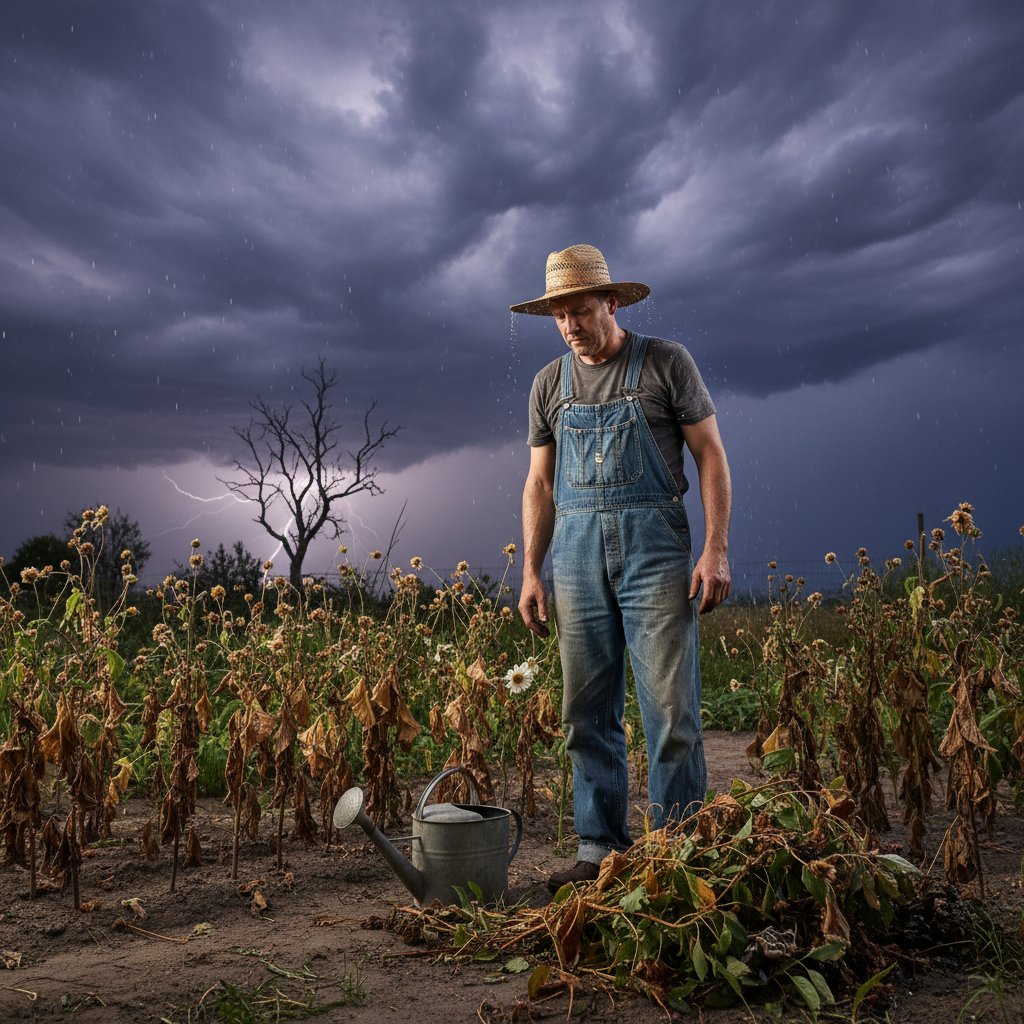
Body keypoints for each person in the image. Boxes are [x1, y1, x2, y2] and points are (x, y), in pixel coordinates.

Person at [511, 244, 731, 892]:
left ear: (611, 301)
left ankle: (676, 851)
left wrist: (714, 550)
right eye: (560, 317)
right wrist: (531, 570)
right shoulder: (550, 385)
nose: (572, 326)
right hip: (575, 554)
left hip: (654, 546)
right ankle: (599, 847)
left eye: (581, 311)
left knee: (670, 707)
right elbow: (539, 485)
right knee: (585, 709)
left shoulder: (665, 363)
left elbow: (710, 455)